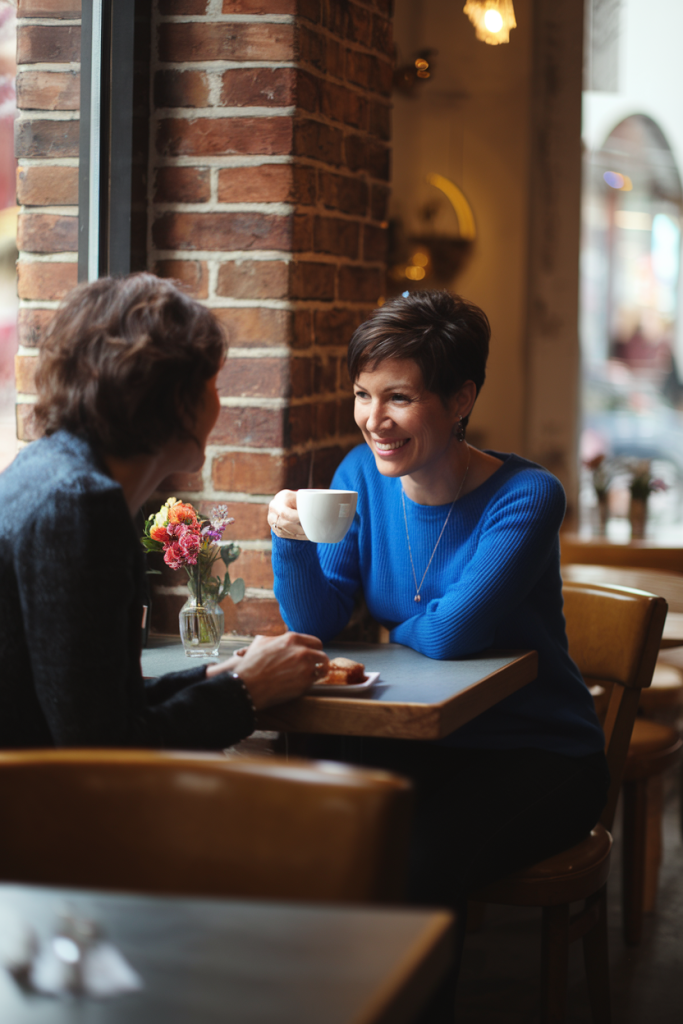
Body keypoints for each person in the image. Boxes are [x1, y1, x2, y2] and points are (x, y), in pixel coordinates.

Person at [268, 290, 609, 907]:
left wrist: (393, 630)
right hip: (418, 738)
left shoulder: (528, 495)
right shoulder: (360, 477)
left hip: (535, 751)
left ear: (460, 400)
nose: (374, 419)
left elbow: (454, 634)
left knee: (415, 868)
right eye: (363, 395)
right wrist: (289, 538)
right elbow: (319, 621)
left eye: (400, 397)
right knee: (323, 838)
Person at [0, 274, 329, 750]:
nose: (219, 403)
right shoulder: (79, 506)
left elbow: (95, 704)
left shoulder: (47, 471)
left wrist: (222, 675)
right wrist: (246, 691)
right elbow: (103, 751)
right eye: (213, 384)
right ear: (175, 399)